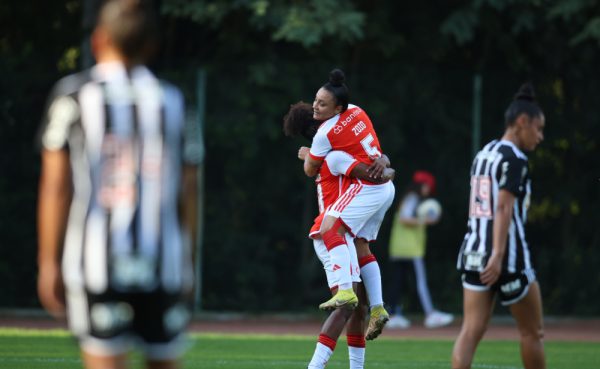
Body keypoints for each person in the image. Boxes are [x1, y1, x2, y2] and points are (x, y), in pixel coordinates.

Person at [36, 1, 201, 368]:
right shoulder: (173, 100)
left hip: (96, 260)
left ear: (99, 39)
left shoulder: (73, 96)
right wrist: (188, 262)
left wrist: (49, 263)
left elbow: (56, 188)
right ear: (151, 45)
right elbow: (188, 189)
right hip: (163, 260)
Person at [283, 102, 394, 368]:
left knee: (359, 306)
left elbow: (366, 157)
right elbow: (375, 176)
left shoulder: (326, 154)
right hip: (330, 234)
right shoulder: (335, 156)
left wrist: (381, 157)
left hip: (342, 231)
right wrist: (388, 167)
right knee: (348, 306)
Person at [452, 83, 546, 369]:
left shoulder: (484, 154)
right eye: (538, 129)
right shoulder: (515, 159)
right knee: (532, 332)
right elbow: (503, 206)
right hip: (506, 257)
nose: (540, 137)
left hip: (473, 253)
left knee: (470, 331)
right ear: (522, 122)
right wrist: (498, 254)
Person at [302, 69, 395, 340]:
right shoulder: (356, 110)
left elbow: (310, 170)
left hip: (370, 189)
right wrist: (386, 162)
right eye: (315, 100)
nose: (316, 106)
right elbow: (372, 153)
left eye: (322, 103)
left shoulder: (326, 138)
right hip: (385, 189)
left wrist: (308, 154)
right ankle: (378, 308)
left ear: (337, 108)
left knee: (330, 229)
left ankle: (344, 290)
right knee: (362, 245)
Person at [386, 170, 454, 329]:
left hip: (399, 248)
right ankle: (430, 314)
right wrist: (425, 220)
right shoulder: (413, 198)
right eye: (427, 186)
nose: (428, 190)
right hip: (410, 249)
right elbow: (404, 218)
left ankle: (392, 315)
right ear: (421, 186)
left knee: (398, 282)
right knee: (419, 282)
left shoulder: (408, 198)